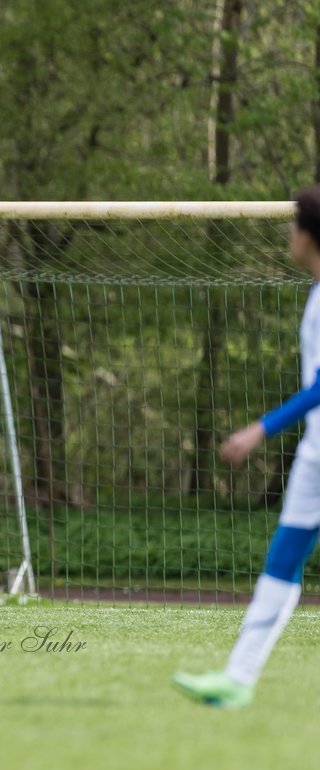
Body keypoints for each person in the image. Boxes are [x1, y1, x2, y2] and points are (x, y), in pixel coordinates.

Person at [173, 186, 320, 707]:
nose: (287, 236)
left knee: (284, 560)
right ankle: (238, 679)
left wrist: (260, 428)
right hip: (315, 454)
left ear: (307, 235)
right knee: (283, 560)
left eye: (291, 227)